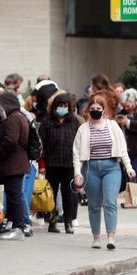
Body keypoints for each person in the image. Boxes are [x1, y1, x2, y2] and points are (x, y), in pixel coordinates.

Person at [73, 90, 134, 249]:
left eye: (99, 109)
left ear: (104, 110)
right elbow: (77, 153)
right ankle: (96, 237)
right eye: (92, 109)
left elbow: (122, 149)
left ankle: (111, 237)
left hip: (111, 168)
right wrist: (77, 173)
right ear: (88, 110)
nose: (95, 111)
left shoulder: (113, 126)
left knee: (110, 202)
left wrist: (129, 167)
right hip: (90, 168)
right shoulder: (83, 129)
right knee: (94, 205)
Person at [0, 91, 31, 239]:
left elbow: (10, 141)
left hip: (12, 165)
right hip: (15, 164)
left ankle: (18, 227)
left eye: (0, 105)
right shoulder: (18, 117)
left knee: (15, 196)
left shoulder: (13, 119)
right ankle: (16, 224)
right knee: (15, 195)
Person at [39, 90, 80, 234]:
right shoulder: (47, 122)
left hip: (69, 164)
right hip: (52, 164)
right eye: (60, 105)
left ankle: (68, 222)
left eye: (65, 105)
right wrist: (42, 164)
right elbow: (41, 144)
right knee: (51, 195)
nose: (62, 108)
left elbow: (79, 142)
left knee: (69, 194)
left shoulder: (74, 122)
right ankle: (52, 222)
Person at [117, 89, 137, 182]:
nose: (126, 108)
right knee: (127, 172)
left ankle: (135, 194)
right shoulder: (121, 113)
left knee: (136, 172)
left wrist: (127, 122)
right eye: (124, 106)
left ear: (134, 101)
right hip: (124, 148)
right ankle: (129, 194)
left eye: (128, 106)